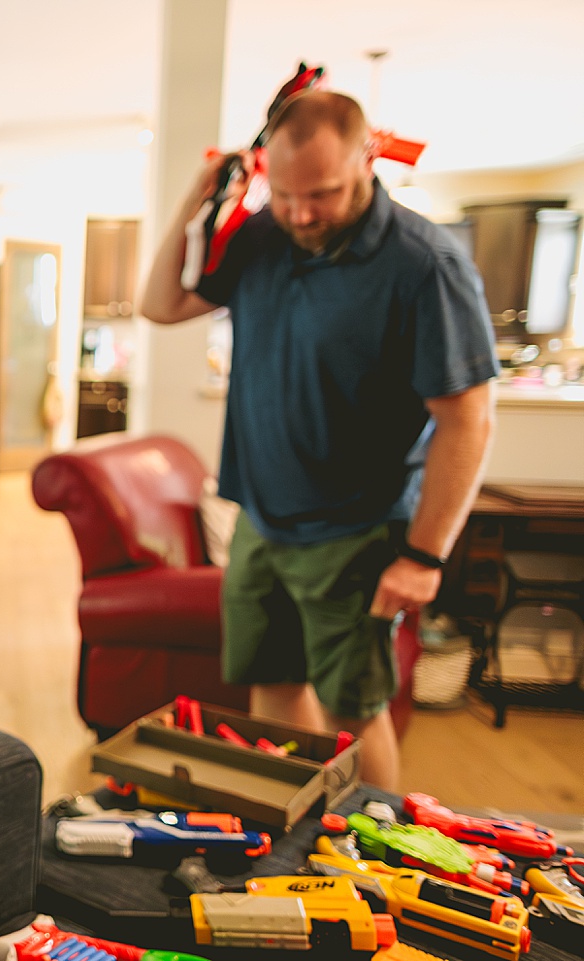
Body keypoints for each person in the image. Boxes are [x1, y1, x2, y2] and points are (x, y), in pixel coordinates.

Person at [139, 91, 497, 790]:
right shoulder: (265, 235)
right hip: (261, 522)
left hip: (355, 531)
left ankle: (374, 857)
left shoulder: (424, 264)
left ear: (368, 157)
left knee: (353, 713)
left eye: (324, 194)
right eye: (287, 193)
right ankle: (299, 840)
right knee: (271, 689)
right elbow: (160, 304)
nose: (303, 213)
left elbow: (469, 419)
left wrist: (424, 556)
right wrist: (197, 196)